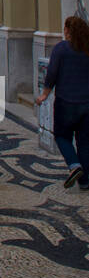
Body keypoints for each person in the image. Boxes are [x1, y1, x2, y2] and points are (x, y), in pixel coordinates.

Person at [35, 15, 89, 189]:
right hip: (87, 103)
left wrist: (44, 94)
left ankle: (74, 165)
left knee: (62, 136)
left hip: (66, 102)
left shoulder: (61, 49)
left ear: (67, 30)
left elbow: (52, 74)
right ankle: (85, 181)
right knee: (84, 142)